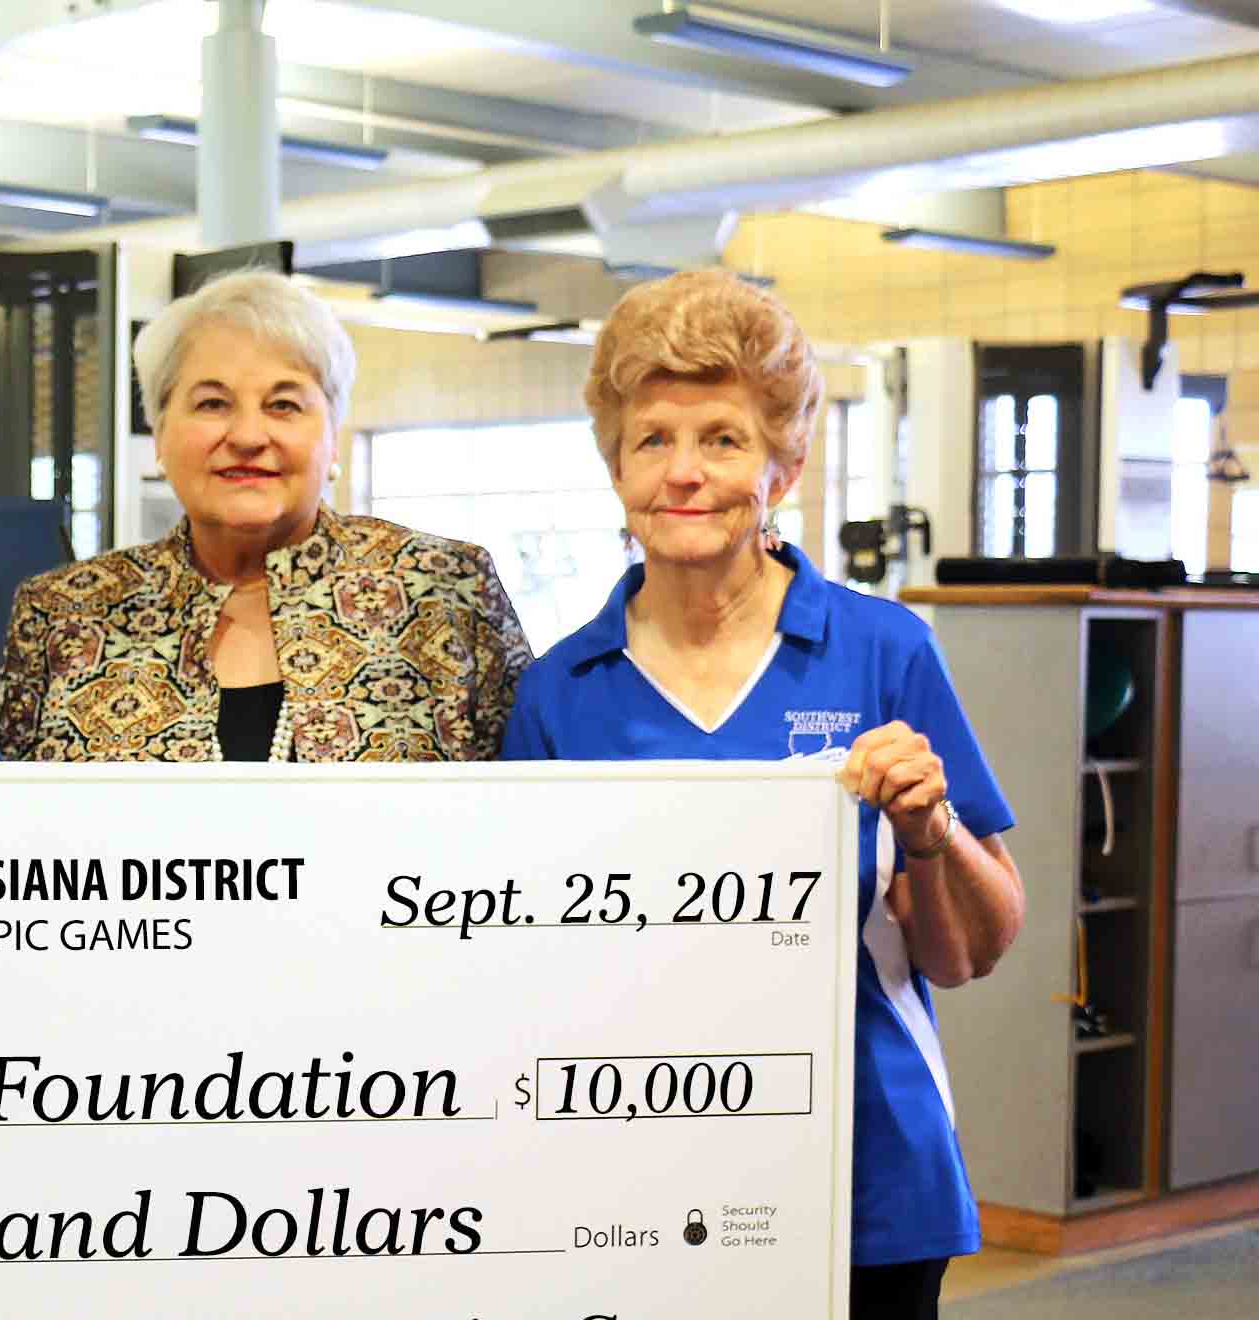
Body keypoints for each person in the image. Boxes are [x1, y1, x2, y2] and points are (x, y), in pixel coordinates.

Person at [499, 269, 1025, 1319]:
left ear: (781, 470)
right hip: (628, 1177)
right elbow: (520, 956)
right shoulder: (559, 690)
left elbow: (971, 951)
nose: (684, 472)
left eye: (723, 439)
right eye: (652, 439)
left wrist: (932, 830)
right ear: (616, 469)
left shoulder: (883, 649)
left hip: (866, 1172)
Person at [0, 270, 530, 763]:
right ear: (158, 435)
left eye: (284, 405)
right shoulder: (64, 615)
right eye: (212, 404)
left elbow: (541, 816)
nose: (248, 436)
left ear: (332, 437)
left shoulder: (444, 589)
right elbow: (2, 840)